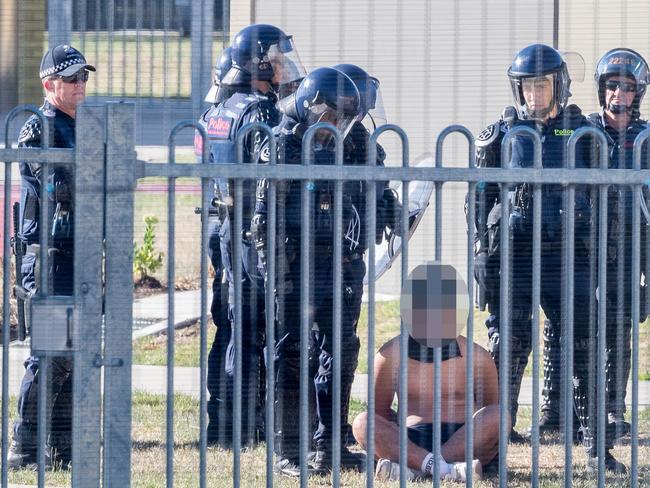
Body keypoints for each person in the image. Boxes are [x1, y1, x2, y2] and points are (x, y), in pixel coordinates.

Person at [252, 66, 400, 477]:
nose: (340, 125)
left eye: (345, 118)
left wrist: (391, 210)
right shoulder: (284, 141)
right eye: (334, 116)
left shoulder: (352, 139)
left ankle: (329, 445)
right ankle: (288, 450)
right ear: (315, 107)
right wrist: (277, 275)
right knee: (291, 353)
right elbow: (263, 220)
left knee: (341, 351)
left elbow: (375, 188)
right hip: (295, 266)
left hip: (344, 261)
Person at [505, 43, 625, 473]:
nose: (535, 96)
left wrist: (605, 257)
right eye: (528, 88)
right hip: (516, 255)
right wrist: (484, 257)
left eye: (542, 86)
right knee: (510, 343)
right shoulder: (503, 131)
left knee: (583, 346)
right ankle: (497, 442)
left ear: (559, 86)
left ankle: (595, 446)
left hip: (570, 254)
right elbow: (480, 199)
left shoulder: (583, 132)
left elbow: (607, 200)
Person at [195, 23, 306, 447]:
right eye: (276, 59)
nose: (283, 66)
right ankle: (245, 426)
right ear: (258, 63)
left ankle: (222, 425)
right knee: (253, 328)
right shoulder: (261, 112)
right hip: (250, 232)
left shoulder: (217, 111)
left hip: (222, 224)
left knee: (228, 327)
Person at [8, 44, 95, 469]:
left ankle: (61, 447)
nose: (81, 85)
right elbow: (60, 186)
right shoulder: (37, 127)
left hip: (78, 253)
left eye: (84, 77)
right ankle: (23, 446)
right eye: (72, 78)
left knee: (74, 356)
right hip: (49, 257)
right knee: (50, 354)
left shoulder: (85, 125)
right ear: (49, 84)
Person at [585, 48, 649, 443]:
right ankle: (557, 413)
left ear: (637, 93)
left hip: (631, 247)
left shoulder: (647, 136)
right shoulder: (579, 128)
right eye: (612, 87)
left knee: (620, 330)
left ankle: (613, 409)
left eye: (626, 88)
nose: (618, 96)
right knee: (574, 330)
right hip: (583, 247)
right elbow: (551, 133)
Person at [352, 334, 499, 482]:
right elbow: (379, 413)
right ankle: (445, 469)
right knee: (362, 423)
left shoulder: (477, 355)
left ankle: (417, 468)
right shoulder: (390, 354)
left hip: (463, 438)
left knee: (499, 415)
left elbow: (488, 410)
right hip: (410, 439)